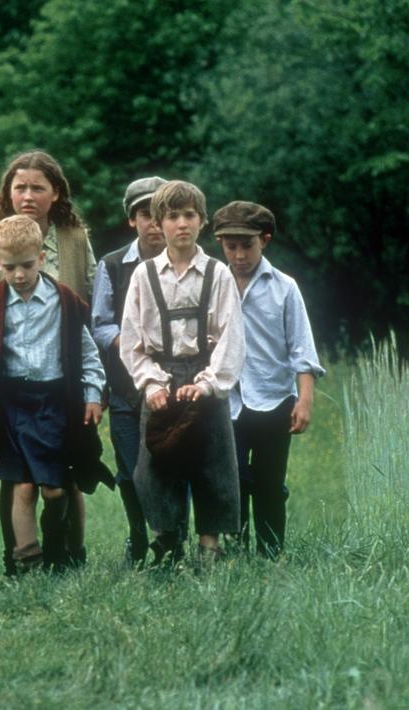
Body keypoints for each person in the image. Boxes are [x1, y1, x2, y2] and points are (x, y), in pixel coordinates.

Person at [0, 215, 107, 572]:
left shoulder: (64, 301)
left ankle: (59, 547)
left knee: (56, 490)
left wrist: (92, 394)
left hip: (55, 404)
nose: (19, 275)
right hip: (11, 405)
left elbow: (87, 353)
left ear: (41, 257)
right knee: (22, 486)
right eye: (10, 267)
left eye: (26, 265)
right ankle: (27, 559)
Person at [119, 180, 245, 566]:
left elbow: (231, 337)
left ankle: (211, 546)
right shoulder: (144, 276)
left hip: (206, 378)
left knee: (213, 461)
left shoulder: (218, 274)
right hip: (162, 378)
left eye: (190, 215)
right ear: (159, 223)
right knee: (157, 464)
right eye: (173, 216)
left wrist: (209, 384)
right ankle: (167, 542)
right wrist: (151, 384)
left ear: (202, 221)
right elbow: (132, 340)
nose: (182, 224)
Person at [0, 150, 97, 574]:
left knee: (67, 468)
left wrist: (92, 378)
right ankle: (18, 555)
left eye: (38, 187)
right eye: (20, 187)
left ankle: (69, 553)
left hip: (64, 372)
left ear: (55, 193)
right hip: (13, 374)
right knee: (16, 475)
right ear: (8, 192)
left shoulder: (73, 237)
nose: (28, 196)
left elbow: (91, 291)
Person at [213, 201, 324, 558]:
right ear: (220, 244)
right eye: (231, 246)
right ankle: (234, 551)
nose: (239, 255)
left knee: (270, 482)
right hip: (226, 401)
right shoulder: (213, 284)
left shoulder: (284, 287)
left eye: (247, 245)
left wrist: (304, 400)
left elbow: (302, 348)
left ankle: (271, 553)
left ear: (265, 240)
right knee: (230, 480)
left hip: (274, 398)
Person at [91, 176, 167, 565]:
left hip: (173, 384)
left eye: (161, 213)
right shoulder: (112, 265)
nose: (155, 223)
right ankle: (137, 535)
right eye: (145, 214)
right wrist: (131, 344)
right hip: (125, 385)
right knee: (129, 467)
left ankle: (169, 540)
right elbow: (100, 324)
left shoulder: (187, 262)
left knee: (170, 464)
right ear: (132, 220)